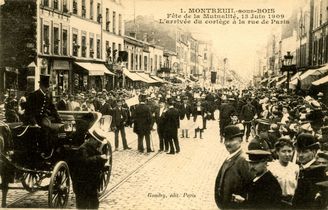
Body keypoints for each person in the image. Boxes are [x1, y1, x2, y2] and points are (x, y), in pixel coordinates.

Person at [233, 138, 283, 209]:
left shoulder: (271, 184)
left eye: (256, 163)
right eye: (250, 163)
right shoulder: (255, 178)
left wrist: (244, 203)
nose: (251, 167)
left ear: (265, 163)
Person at [214, 125, 252, 209]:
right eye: (226, 140)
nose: (227, 143)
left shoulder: (243, 160)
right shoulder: (230, 158)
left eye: (231, 140)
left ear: (240, 140)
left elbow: (250, 187)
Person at [24, 75, 61, 157]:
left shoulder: (47, 96)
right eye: (46, 87)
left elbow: (53, 109)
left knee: (53, 129)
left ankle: (51, 150)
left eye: (48, 87)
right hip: (32, 119)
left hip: (42, 119)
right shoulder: (33, 95)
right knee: (44, 130)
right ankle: (43, 152)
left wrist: (59, 120)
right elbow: (29, 111)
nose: (47, 89)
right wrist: (34, 123)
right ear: (41, 86)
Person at [70, 129, 108, 209]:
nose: (98, 145)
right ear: (92, 140)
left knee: (93, 204)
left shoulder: (91, 148)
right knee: (83, 205)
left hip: (91, 184)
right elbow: (85, 162)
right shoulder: (83, 149)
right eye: (97, 142)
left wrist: (103, 162)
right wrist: (99, 158)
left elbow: (95, 165)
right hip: (82, 185)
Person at [293, 133, 327, 209]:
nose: (300, 155)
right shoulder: (300, 168)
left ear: (314, 152)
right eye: (299, 151)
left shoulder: (318, 171)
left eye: (305, 152)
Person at [268, 137, 299, 207]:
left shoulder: (295, 168)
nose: (287, 154)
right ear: (277, 152)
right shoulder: (271, 167)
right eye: (283, 151)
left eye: (289, 151)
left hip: (291, 203)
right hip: (276, 203)